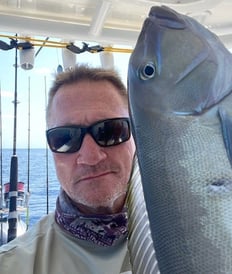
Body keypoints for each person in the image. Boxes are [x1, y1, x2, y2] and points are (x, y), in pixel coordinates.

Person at [0, 65, 136, 274]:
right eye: (64, 138)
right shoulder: (12, 265)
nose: (90, 157)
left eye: (111, 131)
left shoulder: (194, 233)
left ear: (137, 135)